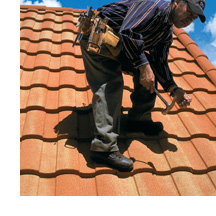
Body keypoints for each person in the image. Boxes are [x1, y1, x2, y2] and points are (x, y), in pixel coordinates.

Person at [79, 0, 206, 171]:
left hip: (116, 42)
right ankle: (103, 148)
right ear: (176, 2)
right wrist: (143, 67)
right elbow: (128, 32)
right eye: (189, 12)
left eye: (194, 17)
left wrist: (174, 89)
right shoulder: (154, 5)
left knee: (150, 70)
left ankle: (138, 120)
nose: (190, 19)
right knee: (111, 83)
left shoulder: (165, 31)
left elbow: (160, 62)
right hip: (98, 35)